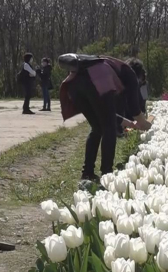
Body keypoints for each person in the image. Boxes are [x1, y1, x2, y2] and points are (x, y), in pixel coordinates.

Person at [59, 54, 152, 182]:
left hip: (74, 85)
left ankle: (87, 173)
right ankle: (107, 173)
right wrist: (147, 125)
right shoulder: (130, 76)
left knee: (97, 128)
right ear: (140, 76)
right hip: (96, 81)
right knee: (109, 129)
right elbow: (135, 109)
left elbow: (108, 114)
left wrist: (130, 123)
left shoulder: (110, 67)